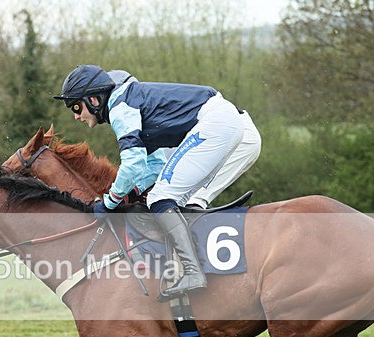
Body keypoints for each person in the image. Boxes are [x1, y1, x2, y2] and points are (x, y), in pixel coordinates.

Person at [53, 64, 261, 299]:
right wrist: (131, 193)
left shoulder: (121, 108)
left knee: (161, 197)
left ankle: (193, 271)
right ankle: (190, 266)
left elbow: (132, 164)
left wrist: (110, 202)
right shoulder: (130, 102)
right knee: (180, 200)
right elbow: (152, 167)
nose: (76, 116)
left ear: (94, 99)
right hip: (233, 125)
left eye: (76, 107)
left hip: (218, 123)